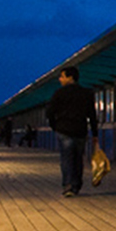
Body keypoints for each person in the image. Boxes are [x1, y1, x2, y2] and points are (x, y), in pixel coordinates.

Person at [45, 65, 99, 197]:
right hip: (80, 130)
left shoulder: (59, 93)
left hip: (63, 130)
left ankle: (68, 185)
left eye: (62, 76)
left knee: (66, 158)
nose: (60, 79)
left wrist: (55, 126)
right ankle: (76, 185)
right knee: (78, 158)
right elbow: (92, 115)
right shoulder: (87, 93)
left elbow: (49, 112)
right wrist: (95, 133)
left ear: (70, 77)